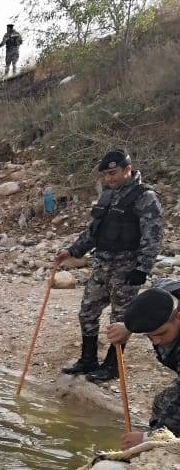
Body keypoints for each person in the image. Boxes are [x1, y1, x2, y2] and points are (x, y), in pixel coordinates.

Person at [56, 148, 163, 382]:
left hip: (126, 270)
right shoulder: (107, 195)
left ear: (128, 169)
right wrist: (72, 251)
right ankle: (88, 360)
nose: (109, 178)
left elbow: (153, 237)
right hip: (101, 266)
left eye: (113, 173)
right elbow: (93, 232)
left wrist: (142, 269)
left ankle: (112, 366)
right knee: (87, 312)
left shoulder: (145, 197)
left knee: (120, 320)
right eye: (105, 174)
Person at [107, 283, 180, 449]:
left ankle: (166, 445)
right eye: (150, 335)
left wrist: (149, 438)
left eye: (161, 334)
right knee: (162, 402)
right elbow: (146, 306)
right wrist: (129, 327)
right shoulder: (166, 291)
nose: (156, 341)